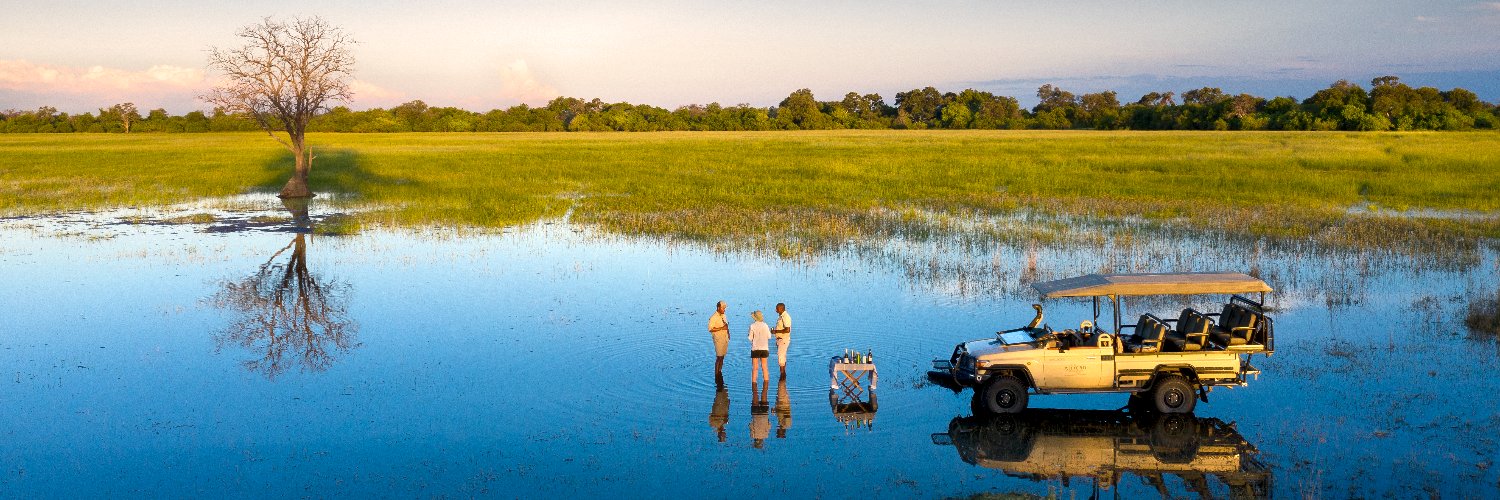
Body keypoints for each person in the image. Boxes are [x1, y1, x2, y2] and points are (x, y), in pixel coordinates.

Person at [748, 310, 771, 384]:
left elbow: (750, 338)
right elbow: (769, 336)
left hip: (755, 348)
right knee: (764, 367)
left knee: (755, 368)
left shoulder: (752, 326)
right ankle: (766, 384)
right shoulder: (765, 325)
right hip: (764, 348)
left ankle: (754, 384)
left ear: (754, 318)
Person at [707, 301, 730, 378]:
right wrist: (721, 328)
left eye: (724, 308)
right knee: (719, 357)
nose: (724, 309)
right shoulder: (713, 317)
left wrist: (728, 333)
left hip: (725, 338)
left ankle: (720, 371)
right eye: (723, 308)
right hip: (718, 339)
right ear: (718, 308)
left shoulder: (724, 316)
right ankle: (716, 375)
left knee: (722, 356)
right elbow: (710, 329)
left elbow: (726, 325)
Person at [771, 302, 792, 376]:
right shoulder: (781, 316)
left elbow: (787, 330)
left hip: (783, 340)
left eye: (777, 309)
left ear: (781, 308)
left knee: (781, 356)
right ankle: (783, 374)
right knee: (782, 356)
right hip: (780, 340)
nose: (776, 310)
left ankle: (782, 374)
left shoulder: (785, 317)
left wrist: (775, 331)